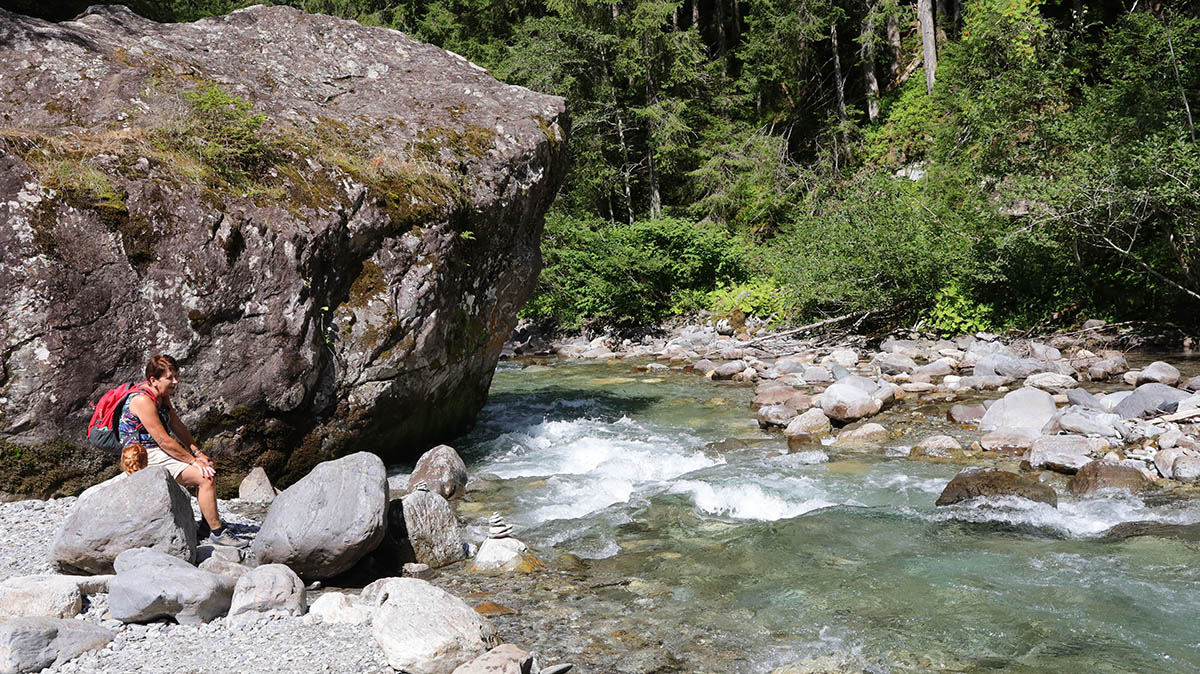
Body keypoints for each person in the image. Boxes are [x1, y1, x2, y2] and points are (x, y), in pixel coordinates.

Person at [118, 354, 243, 546]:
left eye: (175, 376)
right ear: (153, 380)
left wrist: (198, 453)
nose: (175, 381)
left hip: (157, 449)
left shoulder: (161, 396)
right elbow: (163, 440)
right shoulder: (142, 400)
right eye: (170, 377)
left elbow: (177, 426)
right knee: (205, 477)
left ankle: (206, 526)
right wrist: (192, 462)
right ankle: (218, 533)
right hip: (143, 454)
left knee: (207, 464)